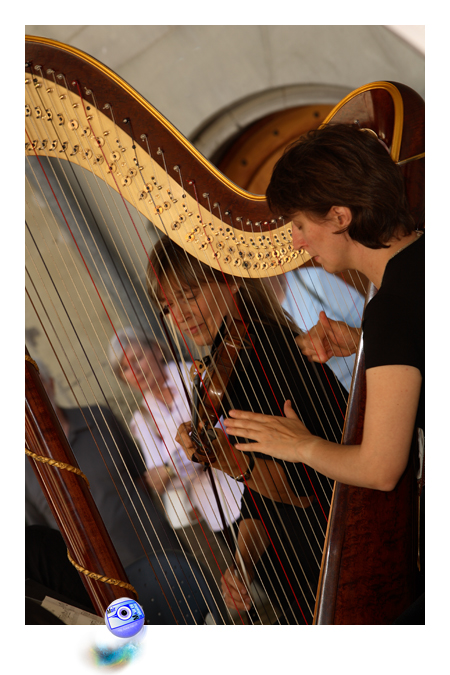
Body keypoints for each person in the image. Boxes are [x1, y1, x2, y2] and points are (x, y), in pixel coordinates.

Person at [222, 124, 424, 622]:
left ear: (340, 216)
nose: (293, 242)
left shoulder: (392, 307)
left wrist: (298, 445)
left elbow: (380, 469)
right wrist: (361, 345)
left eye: (297, 224)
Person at [147, 234, 348, 625]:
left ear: (229, 278)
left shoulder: (260, 349)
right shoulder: (231, 358)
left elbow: (302, 490)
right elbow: (262, 503)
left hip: (333, 564)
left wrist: (227, 458)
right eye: (168, 306)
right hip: (302, 574)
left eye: (188, 295)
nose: (180, 315)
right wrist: (241, 564)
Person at [108, 326, 243, 588]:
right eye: (125, 368)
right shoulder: (141, 419)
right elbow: (159, 480)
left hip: (247, 480)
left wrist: (172, 467)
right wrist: (179, 464)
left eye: (137, 358)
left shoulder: (195, 376)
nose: (135, 370)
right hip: (216, 512)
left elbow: (220, 431)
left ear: (157, 350)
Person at [25, 362, 181, 572]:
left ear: (50, 384)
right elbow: (42, 536)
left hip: (160, 549)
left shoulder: (99, 417)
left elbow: (142, 476)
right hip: (102, 583)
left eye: (33, 387)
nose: (31, 400)